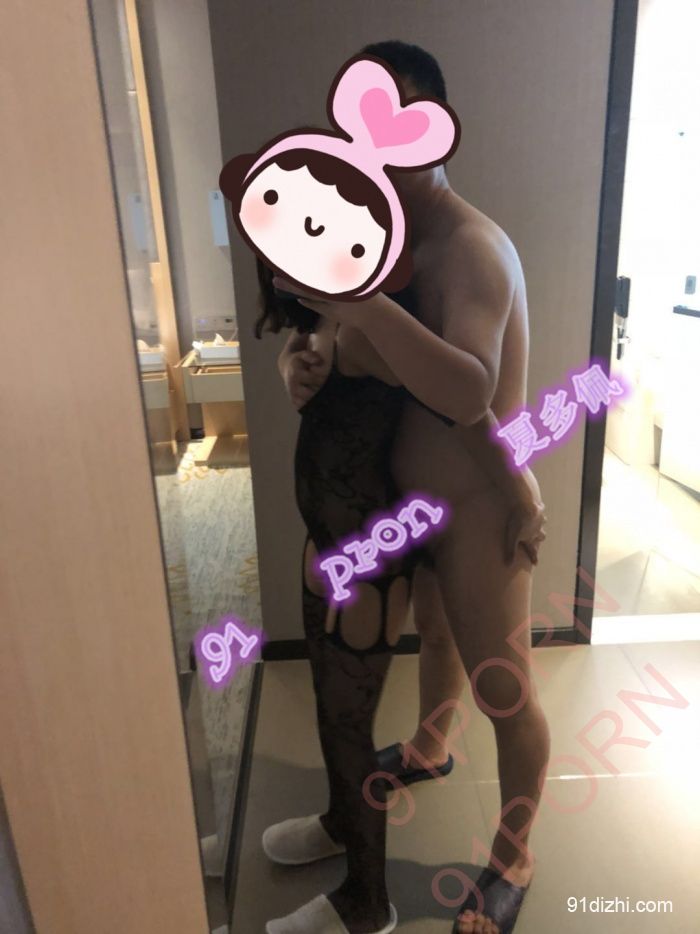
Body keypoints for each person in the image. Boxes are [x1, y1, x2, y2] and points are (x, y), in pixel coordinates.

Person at [244, 43, 550, 934]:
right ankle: (428, 745)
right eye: (361, 131)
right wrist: (296, 363)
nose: (377, 152)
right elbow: (318, 332)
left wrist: (364, 311)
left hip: (480, 509)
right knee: (435, 634)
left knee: (506, 691)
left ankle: (515, 855)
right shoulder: (379, 232)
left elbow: (467, 390)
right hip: (403, 500)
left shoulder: (471, 248)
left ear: (441, 132)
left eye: (401, 129)